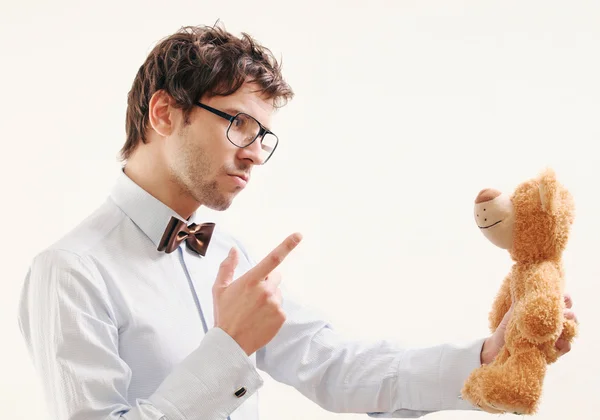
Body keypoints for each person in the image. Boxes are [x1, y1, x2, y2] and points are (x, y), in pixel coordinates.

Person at [17, 24, 576, 420]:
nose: (255, 154)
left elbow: (338, 366)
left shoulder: (228, 251)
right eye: (238, 123)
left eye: (263, 135)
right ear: (164, 112)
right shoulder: (70, 271)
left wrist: (486, 356)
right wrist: (228, 349)